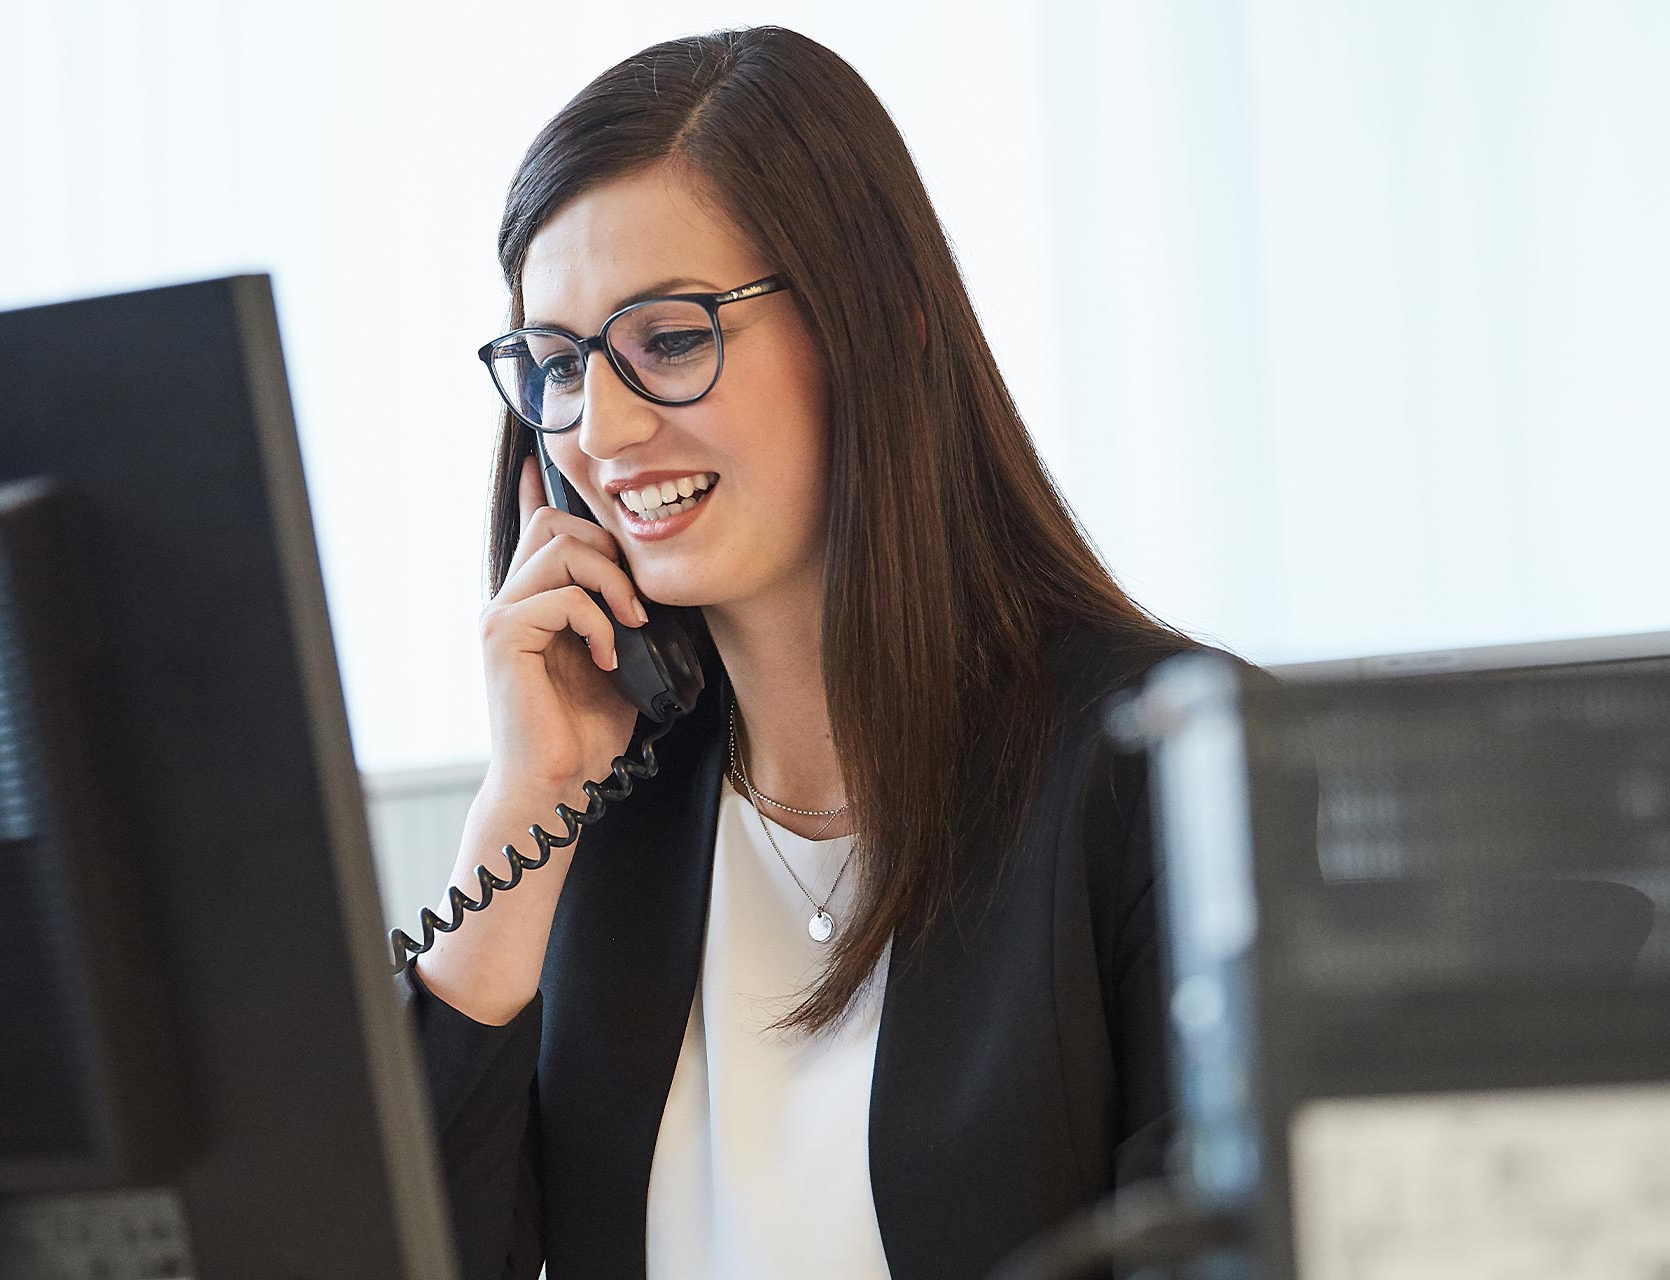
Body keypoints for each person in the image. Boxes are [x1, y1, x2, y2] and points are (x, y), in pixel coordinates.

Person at [400, 26, 1208, 1279]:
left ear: (877, 324)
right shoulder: (598, 818)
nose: (597, 429)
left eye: (668, 340)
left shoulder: (1163, 770)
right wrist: (517, 822)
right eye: (555, 366)